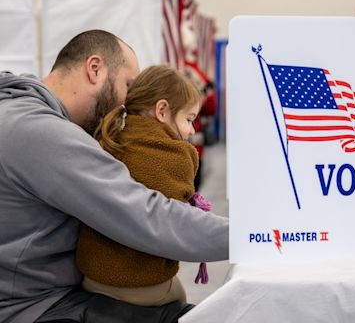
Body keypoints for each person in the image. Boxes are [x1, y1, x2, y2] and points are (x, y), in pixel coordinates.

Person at [0, 30, 229, 323]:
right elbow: (148, 216)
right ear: (94, 69)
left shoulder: (16, 109)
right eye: (127, 85)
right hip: (34, 307)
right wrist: (251, 236)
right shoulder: (40, 132)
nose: (127, 102)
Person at [75, 65, 209, 306]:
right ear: (162, 110)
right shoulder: (175, 155)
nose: (190, 130)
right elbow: (178, 228)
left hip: (92, 278)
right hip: (139, 286)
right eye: (189, 119)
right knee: (181, 297)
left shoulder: (109, 139)